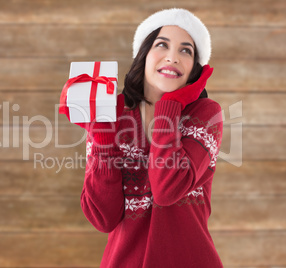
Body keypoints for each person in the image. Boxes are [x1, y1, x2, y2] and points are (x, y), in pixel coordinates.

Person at [63, 8, 224, 267]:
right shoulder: (110, 115)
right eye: (162, 45)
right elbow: (103, 218)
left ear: (195, 68)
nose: (173, 58)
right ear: (144, 54)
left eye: (186, 50)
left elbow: (166, 189)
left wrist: (170, 104)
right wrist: (103, 137)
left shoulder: (205, 114)